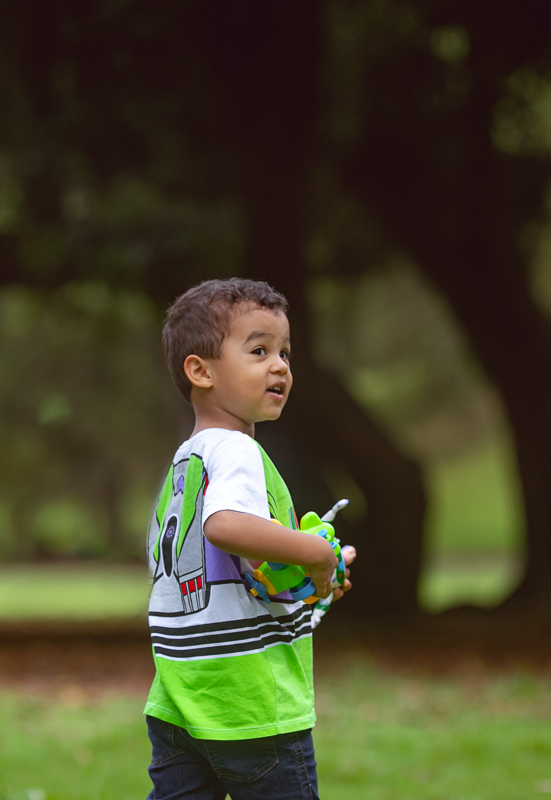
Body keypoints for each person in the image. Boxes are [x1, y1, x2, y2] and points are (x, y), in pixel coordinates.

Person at [144, 278, 356, 800]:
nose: (281, 365)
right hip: (251, 705)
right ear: (201, 370)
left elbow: (239, 579)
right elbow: (227, 528)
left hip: (181, 698)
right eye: (259, 350)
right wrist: (315, 552)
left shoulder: (186, 462)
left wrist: (314, 580)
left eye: (285, 352)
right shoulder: (236, 451)